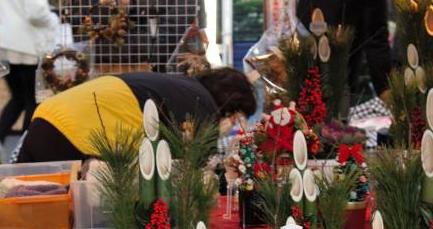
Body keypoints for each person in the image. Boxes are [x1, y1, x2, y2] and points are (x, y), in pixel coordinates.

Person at [14, 68, 257, 163]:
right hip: (72, 134)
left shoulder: (182, 85)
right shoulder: (202, 106)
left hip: (49, 114)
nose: (234, 125)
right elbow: (194, 171)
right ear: (228, 103)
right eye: (236, 117)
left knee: (24, 205)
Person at [253, 0, 392, 101]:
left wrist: (385, 88)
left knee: (336, 117)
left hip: (342, 80)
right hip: (297, 74)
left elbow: (377, 37)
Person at [0, 0, 58, 165]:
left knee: (17, 96)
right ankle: (24, 152)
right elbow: (36, 11)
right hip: (27, 41)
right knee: (33, 98)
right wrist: (54, 20)